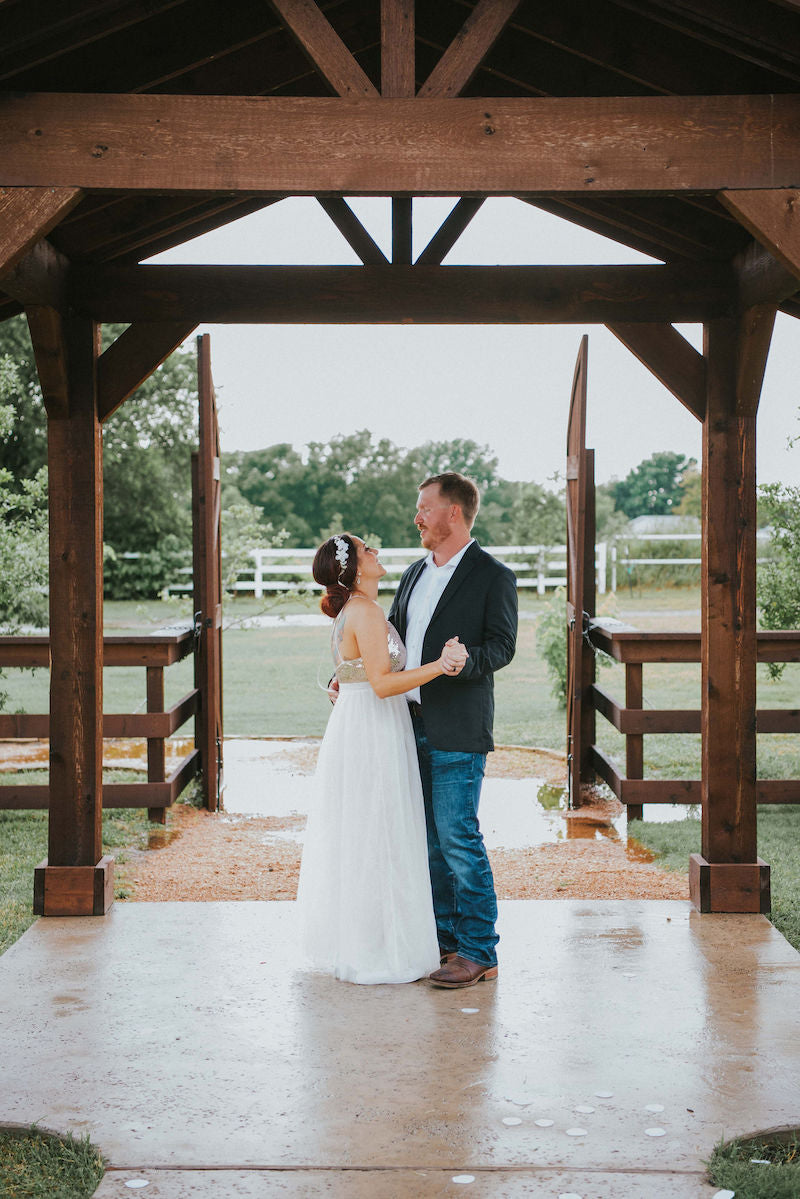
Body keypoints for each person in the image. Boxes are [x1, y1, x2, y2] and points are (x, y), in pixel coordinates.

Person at [297, 532, 468, 985]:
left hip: (363, 723)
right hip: (373, 724)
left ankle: (370, 939)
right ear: (353, 568)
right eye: (368, 550)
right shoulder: (366, 612)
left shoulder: (354, 612)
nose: (377, 552)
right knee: (381, 829)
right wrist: (441, 665)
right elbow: (382, 684)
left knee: (369, 829)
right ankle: (383, 949)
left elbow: (355, 675)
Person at [388, 472, 518, 989]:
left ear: (454, 514)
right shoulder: (414, 573)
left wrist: (462, 664)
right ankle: (443, 942)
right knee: (427, 843)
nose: (416, 516)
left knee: (458, 838)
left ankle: (478, 950)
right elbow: (394, 638)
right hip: (407, 725)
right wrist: (351, 673)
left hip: (459, 729)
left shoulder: (493, 575)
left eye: (424, 507)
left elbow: (502, 647)